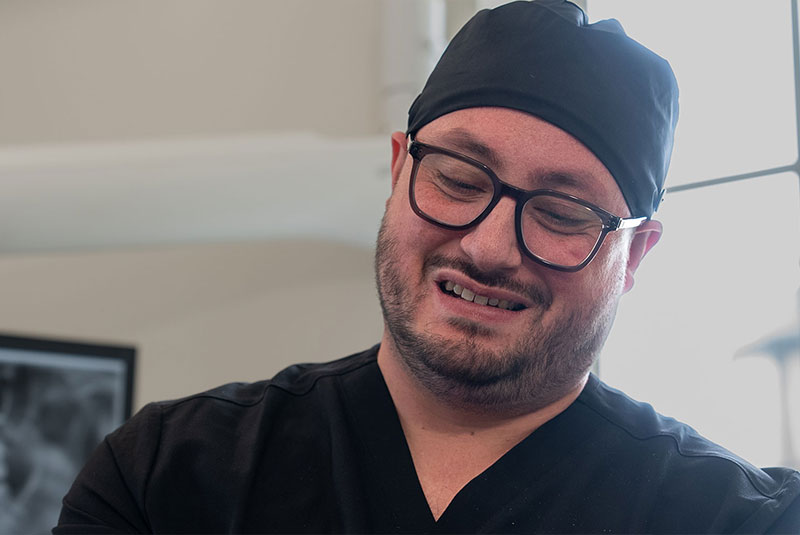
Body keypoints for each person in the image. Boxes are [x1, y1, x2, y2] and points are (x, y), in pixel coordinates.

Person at [55, 1, 800, 533]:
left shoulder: (732, 516)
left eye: (562, 212)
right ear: (396, 170)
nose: (488, 247)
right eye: (458, 178)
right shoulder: (163, 477)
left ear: (634, 253)